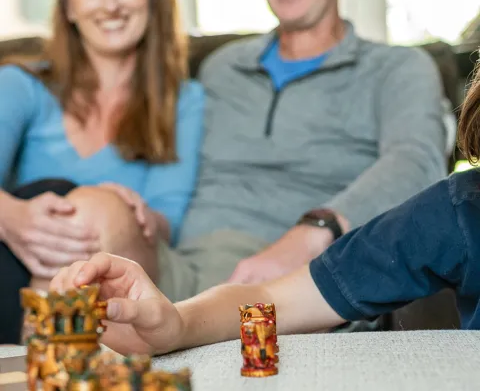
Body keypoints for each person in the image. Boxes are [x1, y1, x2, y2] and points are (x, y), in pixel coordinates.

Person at [50, 62, 480, 355]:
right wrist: (173, 324)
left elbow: (413, 158)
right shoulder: (458, 211)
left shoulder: (397, 71)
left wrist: (317, 228)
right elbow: (271, 298)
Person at [153, 0, 448, 301]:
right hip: (184, 268)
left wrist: (317, 230)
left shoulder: (397, 69)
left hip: (305, 277)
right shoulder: (222, 68)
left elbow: (417, 163)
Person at [0, 0, 204, 343]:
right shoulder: (21, 85)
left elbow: (170, 220)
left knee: (97, 209)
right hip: (19, 267)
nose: (109, 4)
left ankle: (54, 362)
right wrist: (12, 216)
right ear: (69, 6)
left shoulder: (183, 99)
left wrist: (133, 210)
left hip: (128, 258)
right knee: (80, 210)